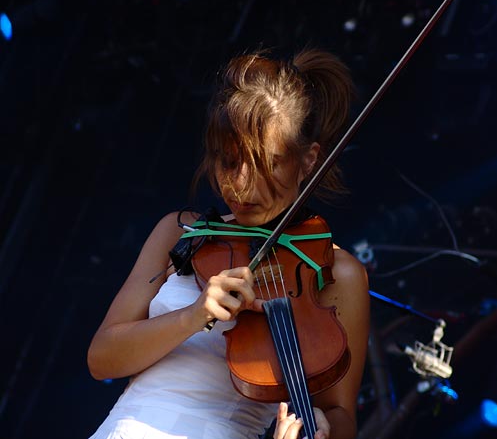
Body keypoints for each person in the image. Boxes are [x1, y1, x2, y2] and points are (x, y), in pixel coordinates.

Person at [86, 46, 371, 439]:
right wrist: (193, 315)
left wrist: (320, 428)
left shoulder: (338, 273)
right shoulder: (181, 233)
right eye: (227, 159)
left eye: (264, 163)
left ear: (308, 160)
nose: (238, 183)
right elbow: (101, 359)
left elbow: (340, 415)